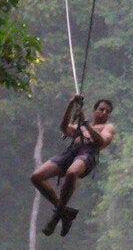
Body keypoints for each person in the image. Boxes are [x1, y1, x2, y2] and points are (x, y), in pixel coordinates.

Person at [30, 93, 115, 237]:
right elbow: (64, 128)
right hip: (70, 153)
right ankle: (65, 212)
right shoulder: (79, 126)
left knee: (72, 172)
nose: (104, 113)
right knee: (36, 177)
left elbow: (100, 142)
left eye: (107, 112)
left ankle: (57, 216)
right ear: (94, 111)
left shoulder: (107, 127)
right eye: (101, 109)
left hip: (87, 154)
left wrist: (86, 123)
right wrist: (71, 104)